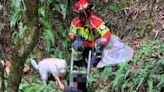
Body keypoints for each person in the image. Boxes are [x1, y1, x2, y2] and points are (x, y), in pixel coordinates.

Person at [69, 0, 111, 67]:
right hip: (82, 43)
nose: (79, 16)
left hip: (93, 44)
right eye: (78, 14)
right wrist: (75, 36)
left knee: (100, 46)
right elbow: (71, 33)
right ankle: (77, 65)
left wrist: (103, 40)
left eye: (81, 14)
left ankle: (94, 67)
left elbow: (106, 33)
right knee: (76, 45)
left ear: (87, 12)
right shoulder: (75, 22)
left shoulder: (95, 21)